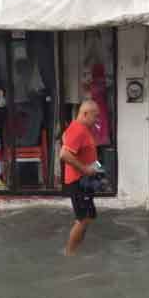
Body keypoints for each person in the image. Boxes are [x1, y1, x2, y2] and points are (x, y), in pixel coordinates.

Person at [60, 100, 100, 256]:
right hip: (78, 181)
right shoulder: (78, 129)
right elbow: (64, 154)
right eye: (95, 116)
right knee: (82, 219)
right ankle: (69, 254)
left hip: (86, 181)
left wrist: (97, 172)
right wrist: (84, 169)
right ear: (84, 114)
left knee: (88, 217)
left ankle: (76, 250)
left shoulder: (81, 129)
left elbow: (67, 139)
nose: (97, 120)